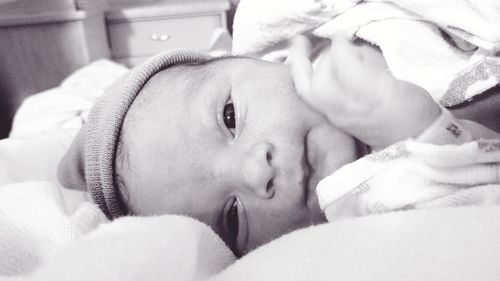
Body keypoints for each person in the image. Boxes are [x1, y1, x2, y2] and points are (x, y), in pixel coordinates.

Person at [58, 40, 500, 258]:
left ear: (267, 60)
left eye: (230, 117)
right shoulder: (364, 203)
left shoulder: (341, 35)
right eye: (231, 216)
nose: (256, 174)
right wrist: (420, 126)